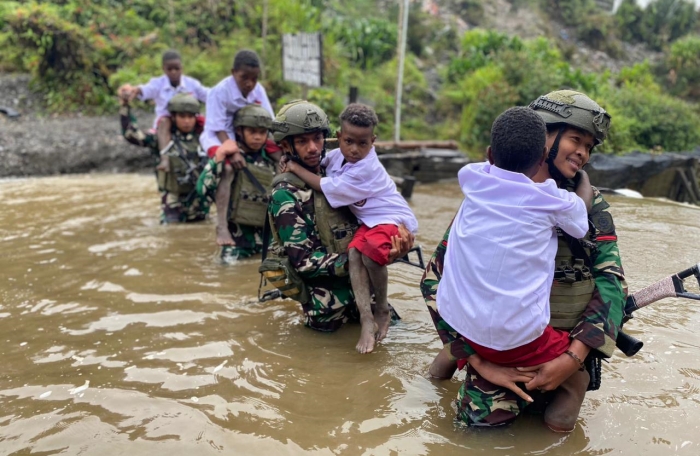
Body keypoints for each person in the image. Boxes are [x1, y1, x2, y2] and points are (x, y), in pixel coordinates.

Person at [421, 90, 627, 432]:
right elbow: (433, 280)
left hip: (561, 353)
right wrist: (478, 361)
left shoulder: (593, 206)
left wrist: (572, 358)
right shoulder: (488, 196)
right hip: (495, 355)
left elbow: (612, 283)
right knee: (475, 434)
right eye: (575, 139)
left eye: (589, 147)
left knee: (560, 432)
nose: (583, 153)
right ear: (543, 139)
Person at [260, 100, 413, 335]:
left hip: (368, 298)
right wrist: (359, 260)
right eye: (302, 141)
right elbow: (304, 262)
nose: (312, 148)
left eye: (317, 139)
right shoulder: (286, 195)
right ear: (286, 145)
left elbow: (375, 221)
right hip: (328, 308)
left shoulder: (341, 170)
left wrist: (392, 251)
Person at [199, 49, 281, 247]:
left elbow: (269, 120)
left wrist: (278, 144)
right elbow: (217, 127)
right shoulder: (220, 91)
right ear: (233, 72)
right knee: (227, 168)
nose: (249, 83)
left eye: (254, 78)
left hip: (249, 134)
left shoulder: (257, 90)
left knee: (282, 157)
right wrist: (233, 151)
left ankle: (279, 215)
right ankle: (222, 226)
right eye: (244, 78)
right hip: (219, 137)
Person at [196, 104, 277, 262]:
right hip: (236, 240)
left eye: (262, 132)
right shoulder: (229, 158)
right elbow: (202, 190)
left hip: (266, 239)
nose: (258, 137)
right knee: (227, 272)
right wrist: (219, 157)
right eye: (252, 132)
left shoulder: (272, 159)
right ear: (239, 131)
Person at [119, 91, 210, 223]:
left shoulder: (204, 138)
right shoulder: (161, 140)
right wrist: (125, 107)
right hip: (173, 202)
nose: (187, 121)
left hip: (199, 202)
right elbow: (131, 134)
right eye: (182, 116)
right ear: (173, 117)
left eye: (191, 117)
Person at [119, 50, 209, 172]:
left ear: (181, 68)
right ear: (164, 69)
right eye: (169, 69)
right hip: (166, 123)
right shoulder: (158, 83)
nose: (173, 72)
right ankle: (164, 158)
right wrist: (131, 94)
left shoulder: (192, 84)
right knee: (164, 122)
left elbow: (210, 95)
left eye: (176, 69)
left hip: (194, 127)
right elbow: (145, 89)